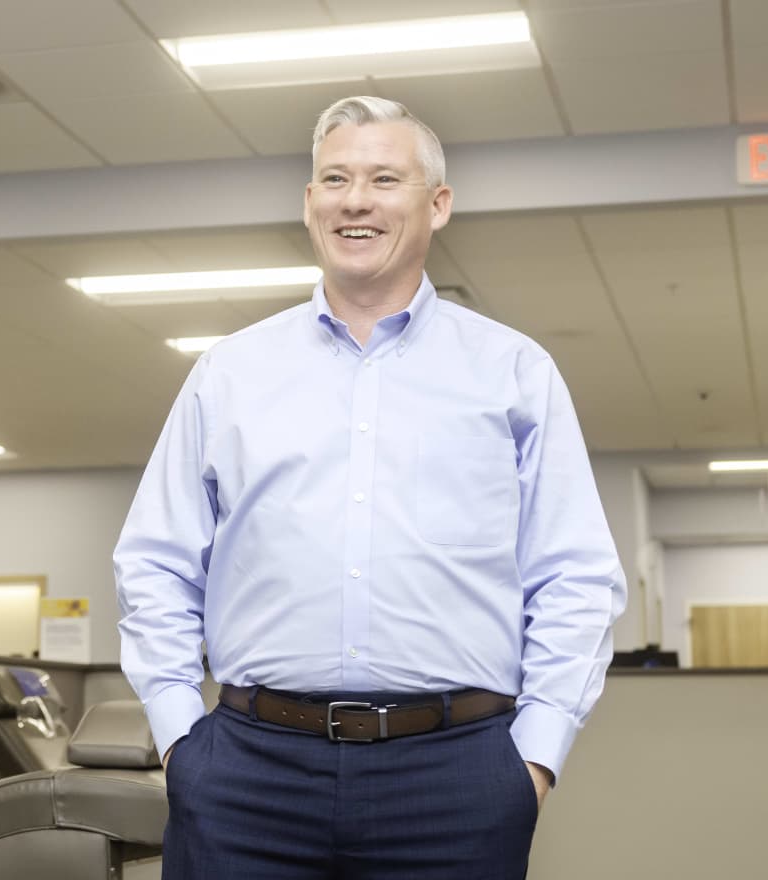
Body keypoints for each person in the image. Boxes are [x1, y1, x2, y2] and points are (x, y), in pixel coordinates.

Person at [113, 96, 626, 879]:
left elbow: (576, 575)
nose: (356, 200)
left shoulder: (513, 373)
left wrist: (535, 759)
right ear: (310, 203)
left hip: (455, 779)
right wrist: (182, 736)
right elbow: (155, 560)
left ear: (438, 204)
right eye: (336, 179)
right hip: (247, 775)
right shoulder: (230, 373)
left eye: (386, 178)